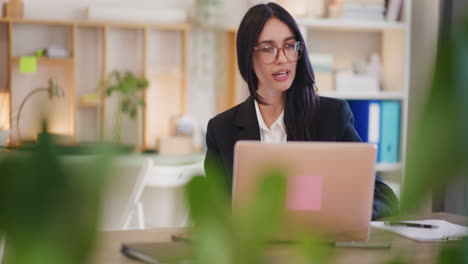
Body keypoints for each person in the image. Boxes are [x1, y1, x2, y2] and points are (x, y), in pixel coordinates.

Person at [204, 2, 399, 220]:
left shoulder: (331, 116)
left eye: (289, 46)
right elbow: (211, 214)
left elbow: (385, 197)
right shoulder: (221, 129)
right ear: (247, 57)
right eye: (268, 49)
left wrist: (344, 213)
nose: (282, 58)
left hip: (317, 248)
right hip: (250, 251)